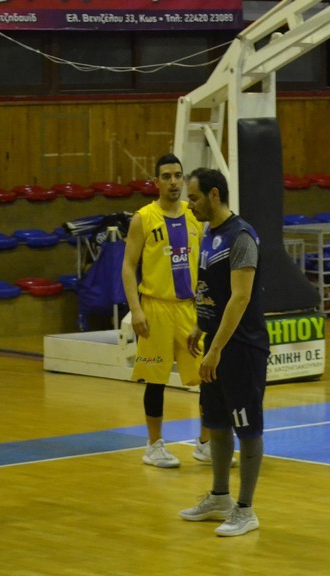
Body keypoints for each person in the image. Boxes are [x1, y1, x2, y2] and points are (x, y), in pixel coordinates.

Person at [177, 168, 269, 537]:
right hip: (216, 344)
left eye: (194, 197)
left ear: (214, 195)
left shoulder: (241, 236)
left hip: (242, 348)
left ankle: (245, 509)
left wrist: (215, 348)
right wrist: (201, 326)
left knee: (247, 428)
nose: (190, 204)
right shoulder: (210, 233)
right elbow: (213, 291)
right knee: (215, 422)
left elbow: (240, 297)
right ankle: (219, 498)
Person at [121, 154, 215, 468]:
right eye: (166, 176)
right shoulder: (143, 218)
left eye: (177, 175)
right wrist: (136, 310)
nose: (173, 182)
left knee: (208, 377)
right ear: (156, 182)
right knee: (156, 380)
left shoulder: (195, 215)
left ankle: (205, 443)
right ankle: (154, 445)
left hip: (190, 310)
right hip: (155, 308)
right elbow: (128, 267)